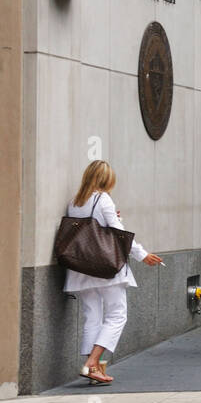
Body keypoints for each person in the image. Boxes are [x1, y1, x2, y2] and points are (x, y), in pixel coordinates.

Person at [65, 161, 164, 385]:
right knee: (117, 314)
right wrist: (143, 255)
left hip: (81, 267)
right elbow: (118, 234)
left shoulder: (75, 201)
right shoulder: (103, 199)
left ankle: (94, 368)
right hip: (105, 266)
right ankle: (92, 362)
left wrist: (115, 219)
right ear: (107, 180)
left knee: (93, 316)